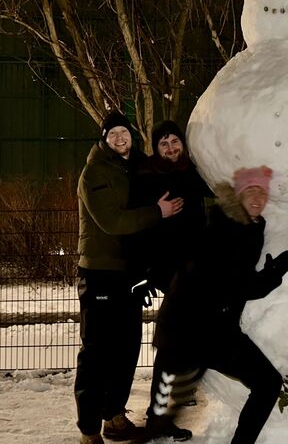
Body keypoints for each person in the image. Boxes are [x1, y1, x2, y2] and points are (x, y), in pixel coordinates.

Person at [142, 166, 288, 444]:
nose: (258, 197)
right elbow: (243, 285)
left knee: (265, 384)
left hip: (205, 328)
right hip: (195, 332)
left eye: (262, 191)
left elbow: (236, 280)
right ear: (238, 196)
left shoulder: (244, 225)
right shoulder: (227, 230)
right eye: (251, 191)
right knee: (267, 383)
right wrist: (278, 270)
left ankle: (159, 423)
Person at [75, 111, 184, 444]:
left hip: (128, 274)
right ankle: (89, 428)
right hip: (99, 272)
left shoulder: (134, 166)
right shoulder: (95, 172)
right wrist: (158, 213)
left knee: (126, 347)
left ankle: (114, 416)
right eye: (113, 134)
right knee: (97, 351)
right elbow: (113, 221)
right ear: (104, 138)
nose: (120, 138)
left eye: (124, 132)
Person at [125, 120, 212, 442]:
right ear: (156, 148)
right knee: (174, 344)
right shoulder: (147, 176)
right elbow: (137, 228)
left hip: (195, 270)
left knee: (182, 343)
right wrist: (142, 274)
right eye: (164, 144)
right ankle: (159, 415)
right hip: (166, 271)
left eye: (175, 142)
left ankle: (163, 411)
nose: (171, 148)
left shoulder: (192, 172)